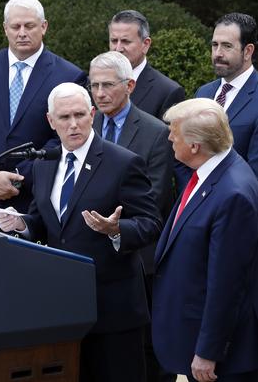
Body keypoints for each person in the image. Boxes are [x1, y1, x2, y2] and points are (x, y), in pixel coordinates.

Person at [0, 82, 161, 382]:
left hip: (113, 310)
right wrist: (21, 224)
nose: (73, 125)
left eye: (80, 115)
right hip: (64, 306)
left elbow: (151, 223)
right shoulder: (45, 163)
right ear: (51, 121)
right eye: (64, 118)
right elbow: (43, 221)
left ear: (92, 114)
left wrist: (116, 230)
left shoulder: (122, 163)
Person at [153, 98, 258, 382]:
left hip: (220, 359)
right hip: (188, 332)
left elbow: (227, 282)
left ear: (195, 146)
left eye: (174, 131)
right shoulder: (210, 173)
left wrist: (208, 350)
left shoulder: (233, 193)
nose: (170, 137)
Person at [0, 0, 86, 216]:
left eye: (30, 25)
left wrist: (16, 178)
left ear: (43, 27)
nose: (22, 33)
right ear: (5, 28)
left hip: (30, 199)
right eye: (15, 26)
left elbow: (63, 138)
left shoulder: (69, 76)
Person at [89, 51, 175, 382]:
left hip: (138, 257)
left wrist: (115, 226)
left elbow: (153, 199)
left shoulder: (155, 133)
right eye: (94, 84)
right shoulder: (88, 123)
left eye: (107, 85)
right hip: (91, 255)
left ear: (130, 85)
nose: (99, 93)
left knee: (143, 351)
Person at [195, 12, 258, 178]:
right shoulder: (203, 93)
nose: (218, 53)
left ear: (248, 51)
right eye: (215, 45)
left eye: (227, 46)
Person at [109, 10, 185, 119]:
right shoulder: (93, 84)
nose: (118, 48)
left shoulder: (168, 92)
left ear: (145, 44)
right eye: (114, 41)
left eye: (126, 41)